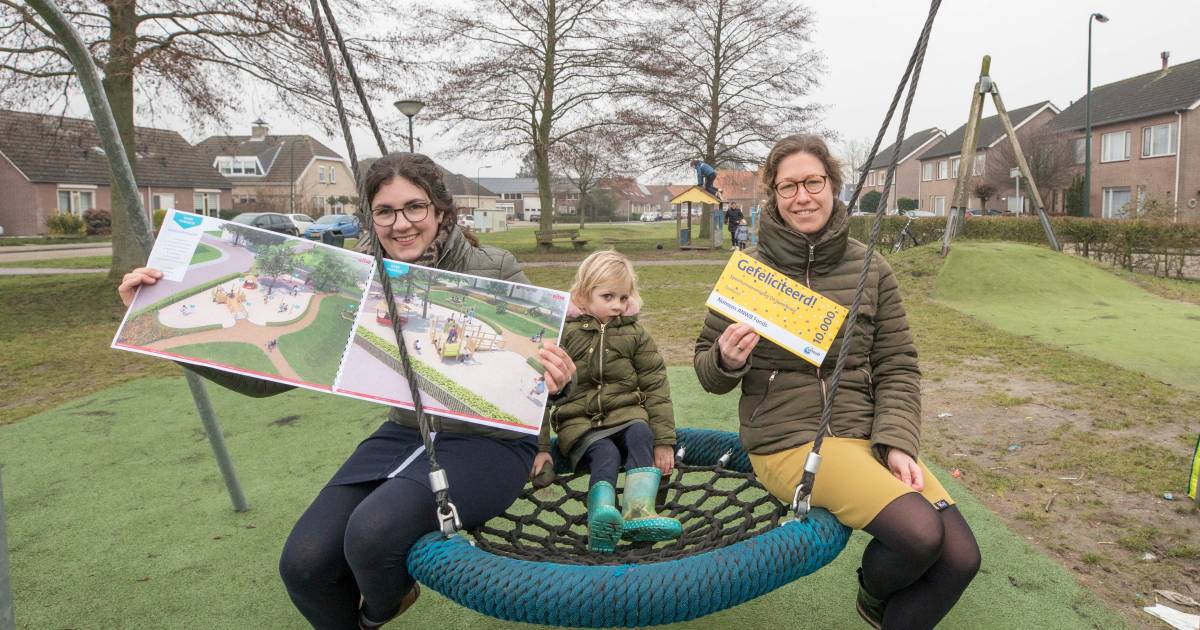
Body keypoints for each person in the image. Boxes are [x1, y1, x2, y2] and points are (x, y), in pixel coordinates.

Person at [117, 152, 578, 630]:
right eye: (385, 211)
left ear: (440, 211)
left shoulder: (492, 266)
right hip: (403, 435)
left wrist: (560, 379)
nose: (401, 224)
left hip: (491, 444)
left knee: (371, 534)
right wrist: (156, 331)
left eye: (414, 207)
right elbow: (261, 383)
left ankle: (382, 611)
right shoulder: (355, 277)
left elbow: (556, 366)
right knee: (305, 566)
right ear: (371, 218)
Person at [692, 135, 979, 630]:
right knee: (919, 534)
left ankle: (877, 611)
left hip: (865, 433)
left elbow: (898, 364)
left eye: (813, 183)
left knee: (960, 559)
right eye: (788, 187)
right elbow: (706, 371)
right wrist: (726, 359)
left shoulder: (872, 268)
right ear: (774, 197)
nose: (802, 196)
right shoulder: (753, 274)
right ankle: (872, 589)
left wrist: (896, 442)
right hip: (789, 439)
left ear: (832, 186)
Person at [531, 250, 679, 553]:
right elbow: (542, 391)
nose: (617, 305)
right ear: (584, 296)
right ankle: (601, 518)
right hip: (580, 424)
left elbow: (655, 385)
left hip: (626, 416)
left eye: (624, 298)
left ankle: (639, 511)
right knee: (606, 454)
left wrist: (663, 442)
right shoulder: (565, 335)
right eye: (608, 296)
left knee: (641, 432)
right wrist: (542, 449)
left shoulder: (635, 334)